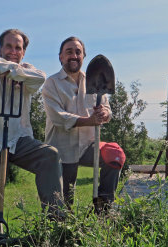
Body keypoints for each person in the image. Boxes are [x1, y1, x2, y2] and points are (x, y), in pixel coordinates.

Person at [0, 29, 64, 237]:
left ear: (24, 52)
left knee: (50, 155)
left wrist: (7, 72)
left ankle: (56, 228)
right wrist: (13, 70)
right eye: (8, 46)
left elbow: (40, 77)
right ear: (0, 49)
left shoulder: (27, 73)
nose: (13, 51)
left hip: (17, 139)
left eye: (18, 48)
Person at [42, 36, 123, 214]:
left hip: (88, 145)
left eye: (78, 52)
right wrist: (88, 120)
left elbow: (107, 109)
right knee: (62, 205)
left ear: (83, 56)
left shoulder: (94, 80)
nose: (74, 55)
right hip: (62, 149)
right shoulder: (52, 83)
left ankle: (104, 206)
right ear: (60, 57)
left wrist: (105, 113)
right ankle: (61, 231)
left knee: (115, 154)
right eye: (69, 52)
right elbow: (58, 117)